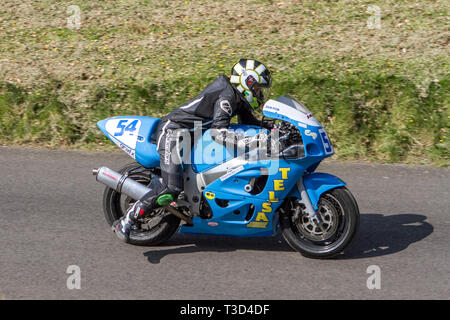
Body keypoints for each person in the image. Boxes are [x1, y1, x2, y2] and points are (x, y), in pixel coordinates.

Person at [113, 59, 273, 242]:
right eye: (259, 89)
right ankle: (127, 220)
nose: (260, 94)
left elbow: (250, 122)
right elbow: (218, 134)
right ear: (248, 83)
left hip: (192, 135)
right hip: (174, 132)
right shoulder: (226, 97)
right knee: (171, 188)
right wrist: (250, 141)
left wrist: (274, 127)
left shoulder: (237, 97)